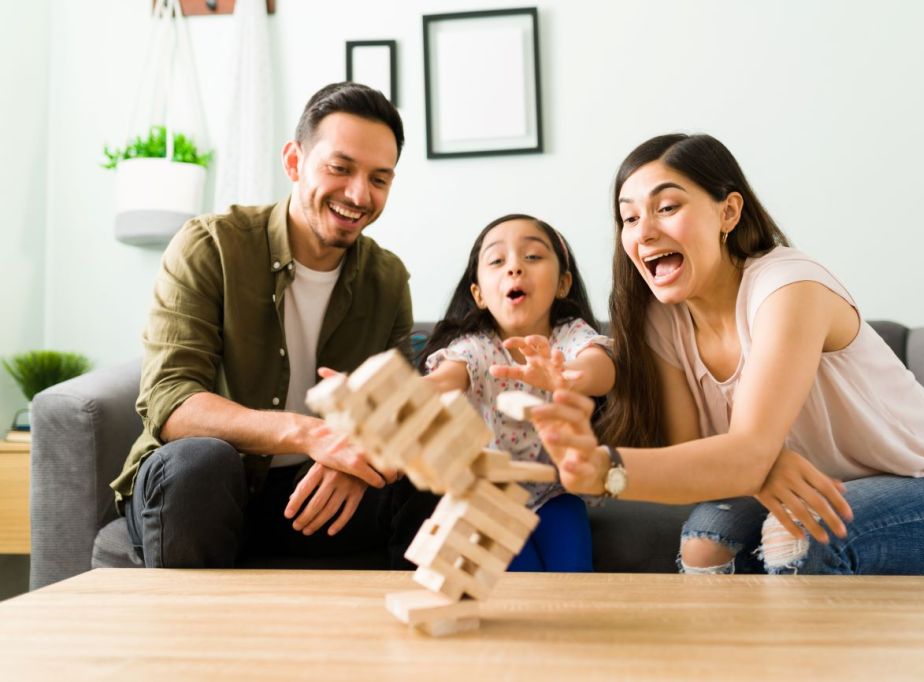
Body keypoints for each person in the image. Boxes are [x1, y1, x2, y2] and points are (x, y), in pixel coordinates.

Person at [528, 133, 924, 575]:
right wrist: (761, 465)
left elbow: (744, 454)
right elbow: (691, 449)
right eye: (629, 217)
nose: (644, 231)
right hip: (824, 486)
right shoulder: (662, 319)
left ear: (728, 213)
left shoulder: (788, 285)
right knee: (705, 539)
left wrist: (605, 469)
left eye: (667, 207)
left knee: (796, 538)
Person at [112, 82, 438, 569]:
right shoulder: (210, 246)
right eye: (340, 168)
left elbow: (394, 411)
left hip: (313, 496)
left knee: (428, 473)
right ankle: (187, 641)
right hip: (211, 486)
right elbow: (171, 400)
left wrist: (362, 455)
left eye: (379, 179)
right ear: (293, 161)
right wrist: (311, 434)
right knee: (201, 462)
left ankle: (411, 636)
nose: (358, 194)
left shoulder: (387, 279)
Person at [419, 214, 615, 571]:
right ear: (478, 293)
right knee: (518, 586)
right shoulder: (474, 347)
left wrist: (564, 376)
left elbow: (601, 371)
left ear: (563, 284)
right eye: (497, 260)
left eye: (533, 257)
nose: (514, 268)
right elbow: (445, 379)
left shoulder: (570, 336)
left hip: (557, 494)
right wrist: (398, 393)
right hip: (489, 498)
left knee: (573, 579)